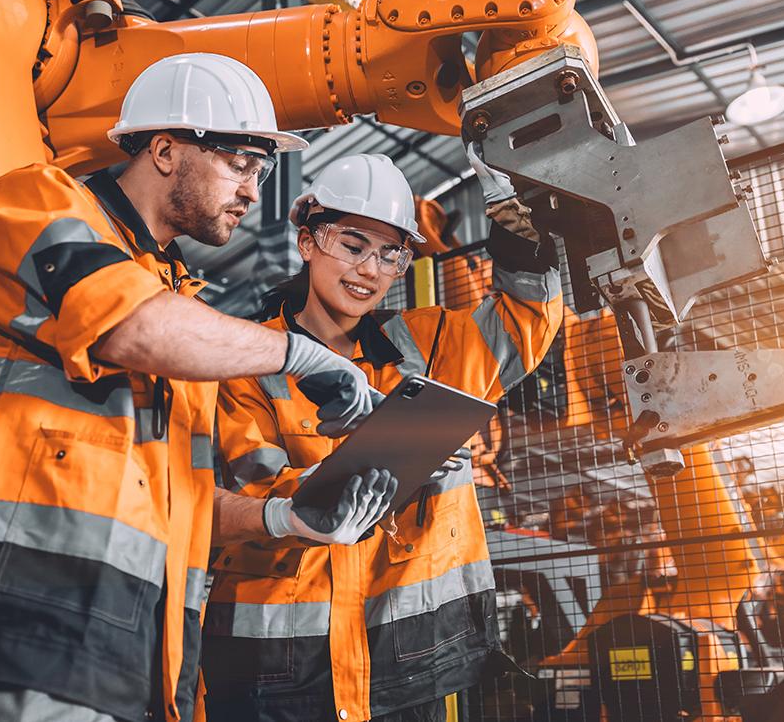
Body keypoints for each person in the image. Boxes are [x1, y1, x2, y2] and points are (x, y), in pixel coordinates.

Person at [0, 53, 397, 722]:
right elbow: (130, 326)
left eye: (261, 172)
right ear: (164, 150)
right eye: (241, 165)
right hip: (7, 623)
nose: (255, 193)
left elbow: (186, 502)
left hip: (129, 653)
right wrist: (301, 354)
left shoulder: (180, 306)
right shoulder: (37, 203)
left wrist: (286, 517)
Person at [201, 152, 564, 722]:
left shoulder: (433, 344)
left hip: (408, 660)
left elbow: (524, 320)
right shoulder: (248, 363)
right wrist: (389, 458)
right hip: (277, 663)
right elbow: (257, 493)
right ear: (308, 243)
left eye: (390, 253)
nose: (369, 268)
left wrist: (516, 222)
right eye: (352, 244)